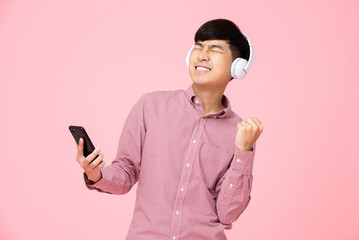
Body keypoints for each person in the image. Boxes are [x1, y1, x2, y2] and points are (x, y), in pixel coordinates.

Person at [75, 18, 263, 240]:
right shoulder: (150, 106)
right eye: (198, 46)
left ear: (237, 67)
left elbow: (227, 213)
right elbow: (125, 173)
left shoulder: (240, 133)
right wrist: (96, 173)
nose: (202, 55)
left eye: (214, 49)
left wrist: (244, 151)